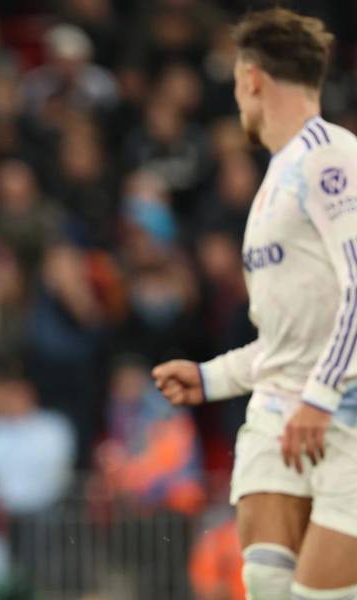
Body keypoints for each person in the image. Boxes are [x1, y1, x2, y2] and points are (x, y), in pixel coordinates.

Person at [151, 9, 357, 600]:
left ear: (251, 79)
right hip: (276, 414)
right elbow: (290, 335)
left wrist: (320, 399)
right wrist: (209, 377)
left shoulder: (329, 156)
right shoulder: (275, 178)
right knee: (265, 584)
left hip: (339, 413)